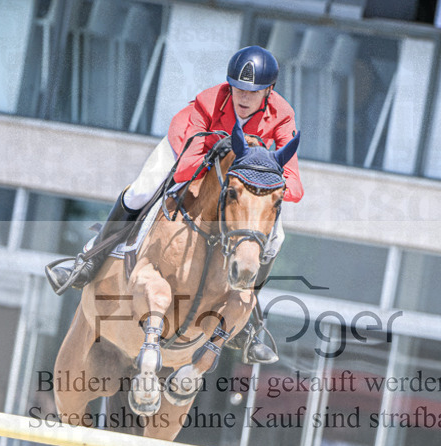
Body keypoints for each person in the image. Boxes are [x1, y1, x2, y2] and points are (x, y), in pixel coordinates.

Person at [46, 46, 303, 365]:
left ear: (269, 90)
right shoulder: (210, 102)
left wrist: (266, 183)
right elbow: (186, 164)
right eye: (238, 87)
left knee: (276, 234)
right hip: (188, 155)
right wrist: (215, 173)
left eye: (253, 91)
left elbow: (293, 182)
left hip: (244, 183)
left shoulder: (283, 114)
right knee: (141, 191)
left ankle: (247, 316)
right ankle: (88, 259)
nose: (244, 97)